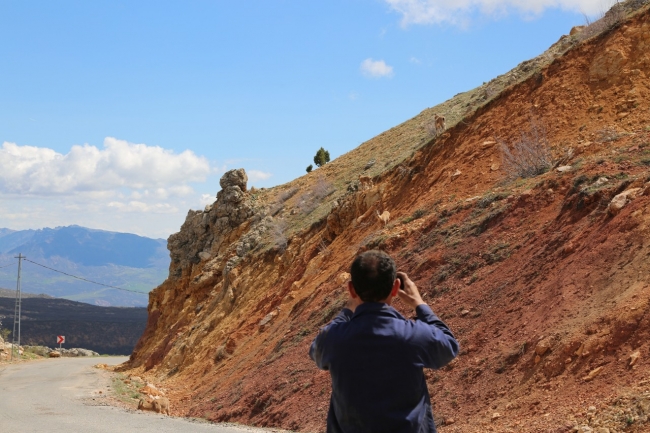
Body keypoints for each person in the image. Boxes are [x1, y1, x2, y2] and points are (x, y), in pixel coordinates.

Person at [309, 250, 459, 433]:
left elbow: (315, 350)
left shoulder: (333, 338)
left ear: (351, 289)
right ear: (395, 288)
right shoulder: (413, 335)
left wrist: (348, 309)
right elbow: (449, 346)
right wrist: (420, 304)